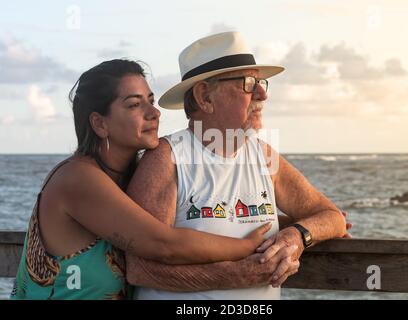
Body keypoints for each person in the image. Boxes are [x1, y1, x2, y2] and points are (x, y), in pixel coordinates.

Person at [9, 59, 275, 300]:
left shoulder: (131, 177)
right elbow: (164, 244)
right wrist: (247, 245)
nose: (154, 112)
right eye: (135, 104)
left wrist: (287, 231)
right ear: (100, 124)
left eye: (151, 100)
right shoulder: (77, 178)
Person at [126, 32, 349, 300]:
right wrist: (233, 276)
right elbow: (140, 269)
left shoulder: (264, 156)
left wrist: (297, 236)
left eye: (261, 82)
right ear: (205, 96)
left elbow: (332, 216)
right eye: (248, 83)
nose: (262, 94)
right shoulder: (167, 159)